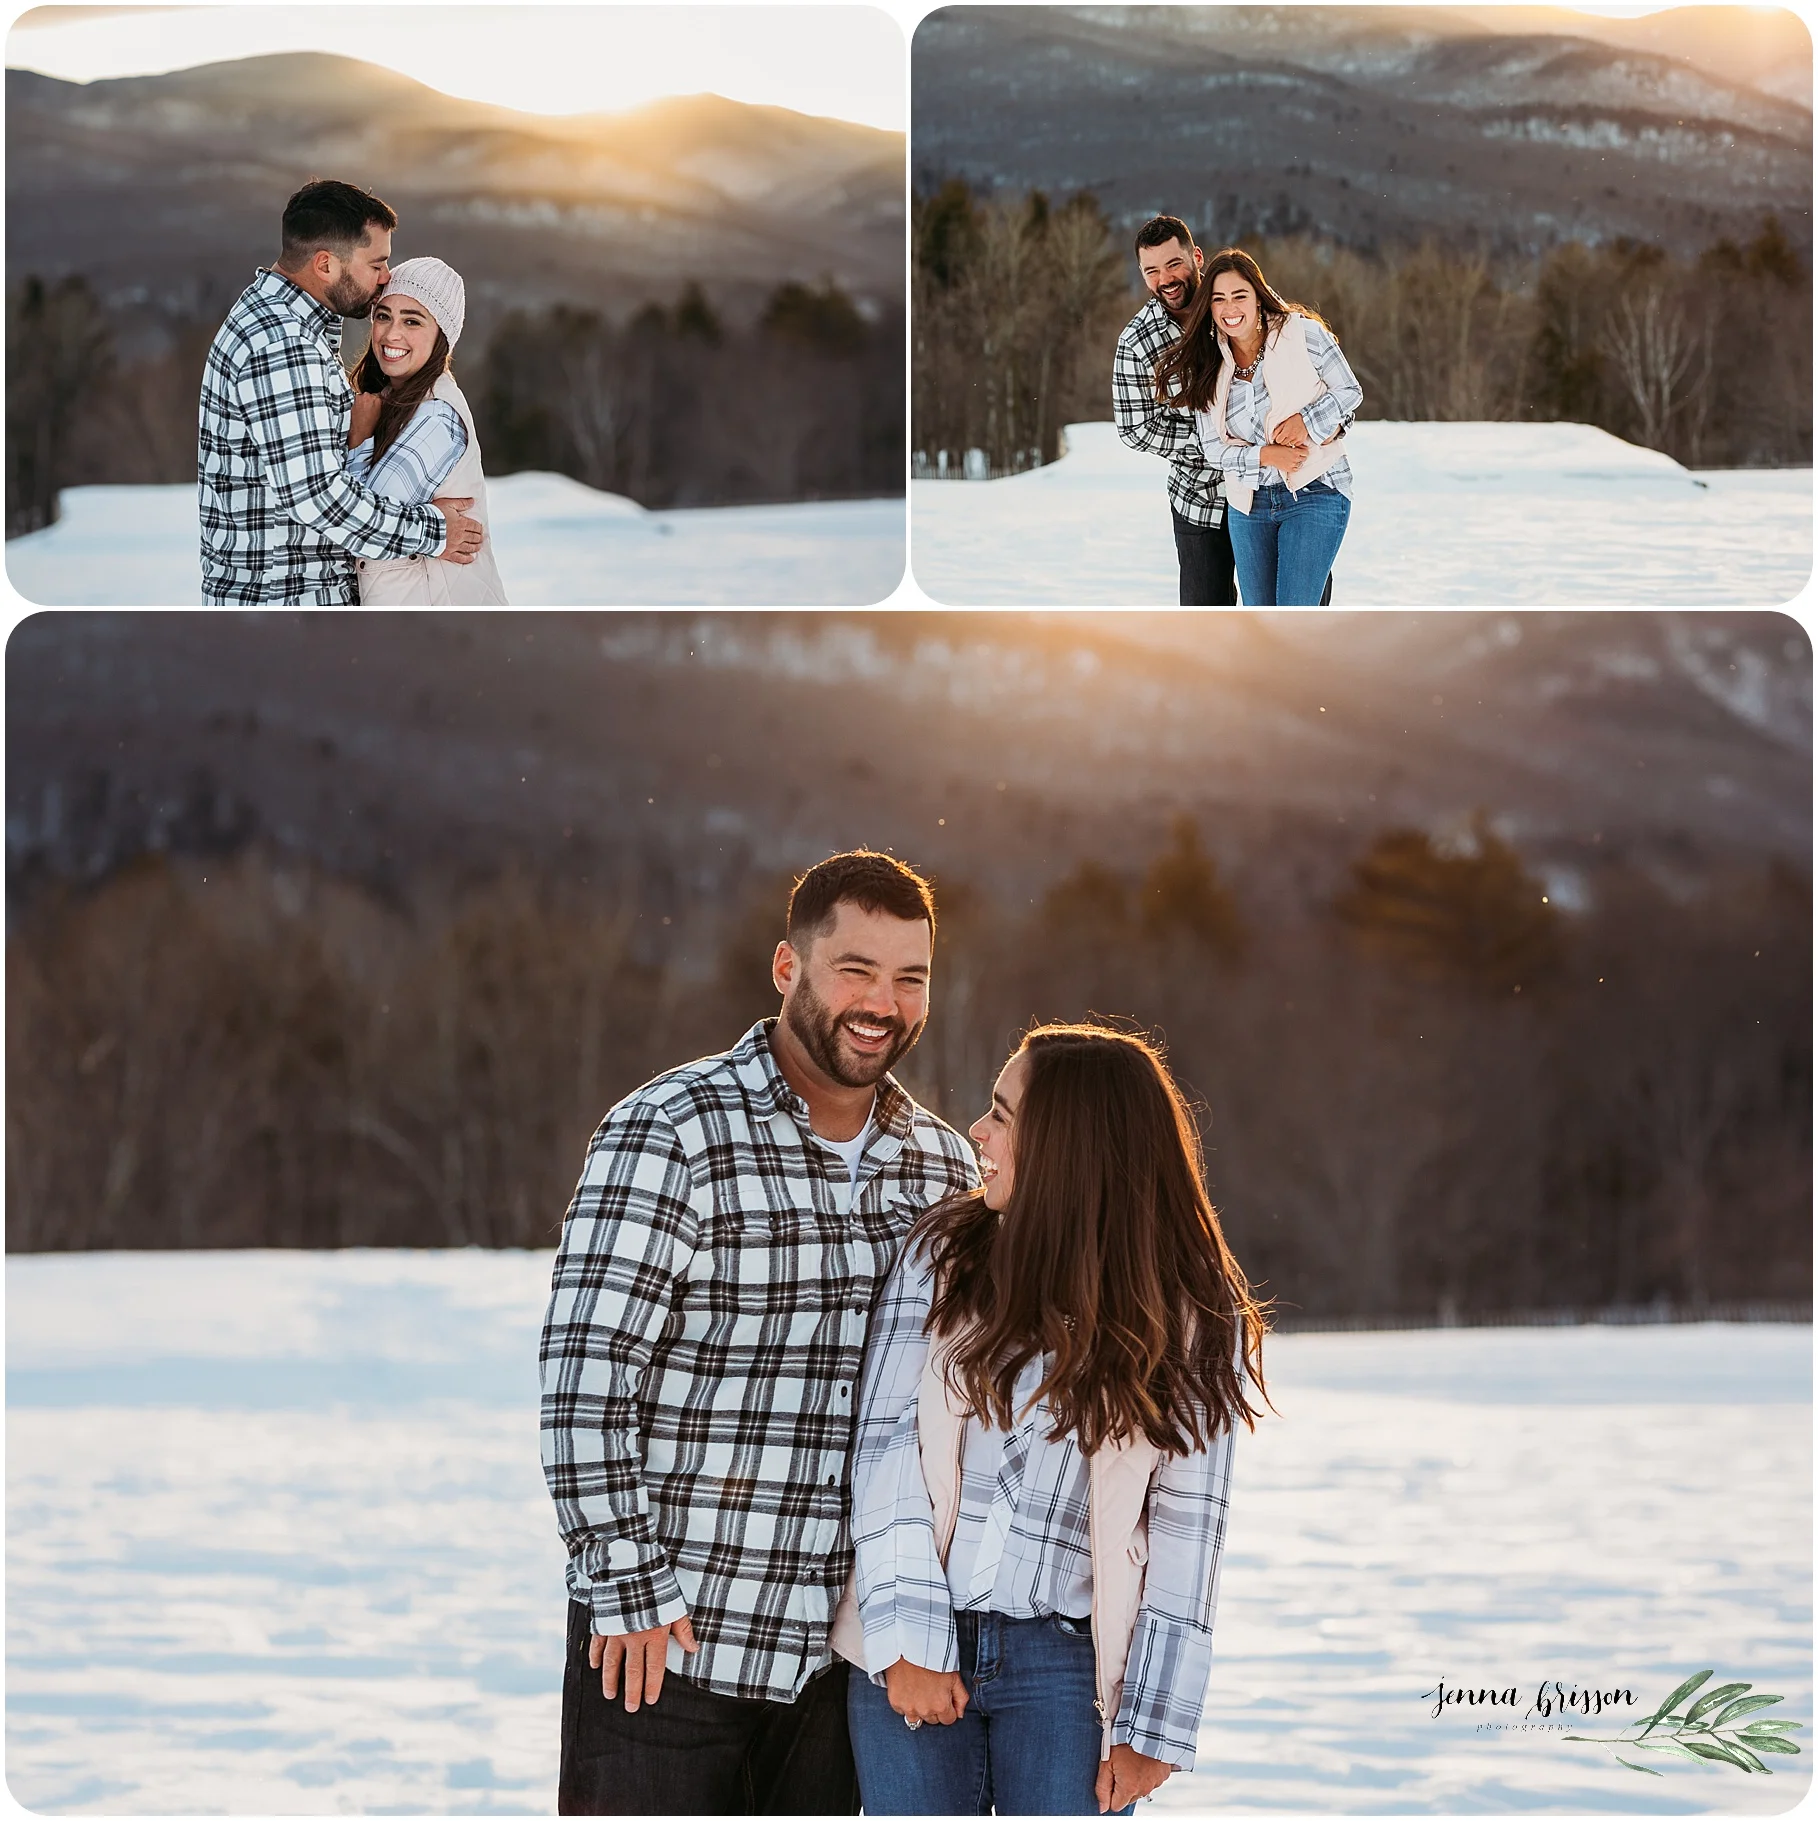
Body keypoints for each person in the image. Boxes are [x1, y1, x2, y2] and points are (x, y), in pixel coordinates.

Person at [540, 850, 979, 1816]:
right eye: (855, 969)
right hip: (668, 1645)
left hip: (838, 1666)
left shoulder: (942, 1170)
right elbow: (586, 1380)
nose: (884, 1002)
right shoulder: (671, 1130)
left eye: (911, 978)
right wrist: (626, 1586)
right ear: (788, 969)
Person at [842, 1023, 1269, 1816]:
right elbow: (886, 1451)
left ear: (1069, 1145)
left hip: (1071, 1675)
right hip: (918, 1639)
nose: (978, 1131)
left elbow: (1189, 1529)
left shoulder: (1187, 1309)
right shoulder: (942, 1258)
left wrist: (1153, 1721)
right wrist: (906, 1640)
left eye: (1002, 1114)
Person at [197, 178, 485, 604]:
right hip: (289, 605)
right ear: (326, 265)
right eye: (376, 264)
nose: (386, 277)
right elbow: (318, 499)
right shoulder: (284, 344)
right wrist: (436, 532)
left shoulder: (283, 323)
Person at [1155, 247, 1363, 607]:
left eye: (1239, 296)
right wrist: (1267, 455)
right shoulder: (1207, 365)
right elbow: (1214, 449)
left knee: (1295, 612)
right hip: (1248, 507)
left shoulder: (1303, 334)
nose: (1230, 308)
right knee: (1261, 622)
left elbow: (1349, 391)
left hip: (1315, 493)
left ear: (1258, 296)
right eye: (1219, 299)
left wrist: (1306, 423)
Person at [344, 256, 509, 603]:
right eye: (383, 316)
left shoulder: (438, 418)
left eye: (412, 321)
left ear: (441, 337)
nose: (392, 334)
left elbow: (358, 525)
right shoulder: (389, 399)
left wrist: (359, 442)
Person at [1111, 216, 1235, 607]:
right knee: (1205, 620)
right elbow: (1135, 427)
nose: (1165, 278)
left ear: (1196, 257)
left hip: (1268, 493)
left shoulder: (1235, 308)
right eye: (1152, 271)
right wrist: (1212, 442)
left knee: (1290, 610)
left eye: (1173, 264)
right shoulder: (1137, 342)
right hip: (1198, 500)